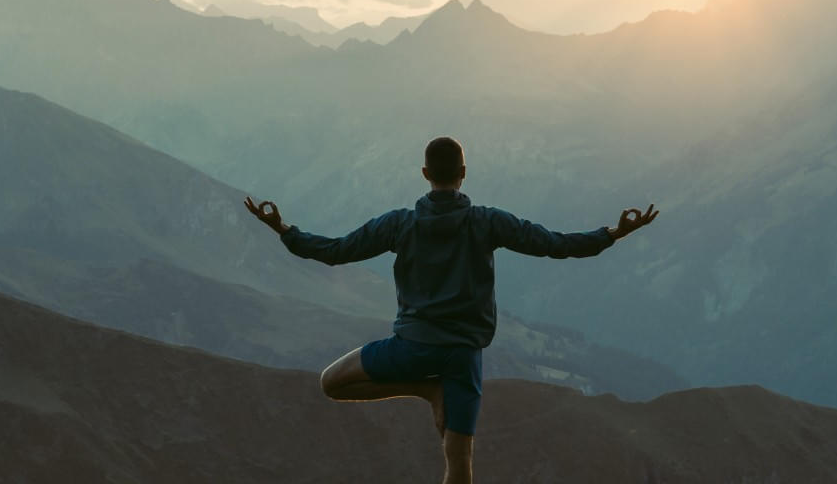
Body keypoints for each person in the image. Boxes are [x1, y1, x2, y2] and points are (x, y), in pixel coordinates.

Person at [244, 136, 659, 484]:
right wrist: (613, 233)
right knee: (460, 469)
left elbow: (335, 252)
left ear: (425, 175)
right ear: (464, 172)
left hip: (411, 348)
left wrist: (284, 230)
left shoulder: (399, 225)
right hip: (464, 356)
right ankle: (433, 391)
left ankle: (425, 390)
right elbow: (554, 244)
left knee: (331, 382)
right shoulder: (487, 222)